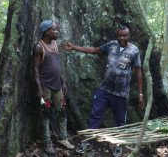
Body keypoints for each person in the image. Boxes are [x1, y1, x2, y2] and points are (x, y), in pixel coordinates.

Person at [60, 25, 145, 156]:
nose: (121, 38)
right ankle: (87, 143)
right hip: (104, 90)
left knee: (120, 121)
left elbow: (138, 71)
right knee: (95, 116)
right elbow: (94, 50)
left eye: (124, 35)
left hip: (120, 93)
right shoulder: (111, 45)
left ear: (129, 36)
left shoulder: (134, 51)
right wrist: (74, 47)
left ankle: (119, 145)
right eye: (119, 35)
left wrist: (140, 93)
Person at [33, 20, 74, 156]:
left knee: (62, 110)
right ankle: (46, 141)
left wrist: (63, 83)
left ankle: (62, 137)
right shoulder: (39, 47)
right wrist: (39, 89)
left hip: (57, 86)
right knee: (45, 112)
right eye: (54, 30)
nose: (57, 32)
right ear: (47, 32)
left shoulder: (55, 45)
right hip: (45, 86)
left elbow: (58, 66)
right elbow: (35, 70)